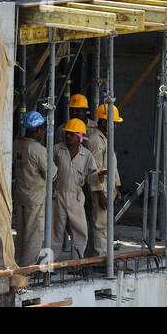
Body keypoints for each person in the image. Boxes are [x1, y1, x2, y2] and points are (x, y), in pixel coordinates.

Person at [51, 118, 101, 260]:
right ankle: (49, 264)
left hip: (76, 196)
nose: (68, 136)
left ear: (79, 137)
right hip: (58, 195)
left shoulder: (87, 155)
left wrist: (100, 176)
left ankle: (76, 263)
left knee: (80, 231)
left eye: (71, 134)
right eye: (67, 133)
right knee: (55, 231)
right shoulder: (57, 150)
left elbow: (91, 177)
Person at [12, 111, 52, 267]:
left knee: (21, 234)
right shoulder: (38, 149)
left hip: (20, 196)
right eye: (42, 128)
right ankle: (27, 271)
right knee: (34, 236)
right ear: (38, 130)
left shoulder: (17, 145)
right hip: (35, 199)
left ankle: (18, 265)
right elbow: (52, 174)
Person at [84, 104, 122, 256]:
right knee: (100, 226)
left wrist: (116, 188)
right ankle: (99, 258)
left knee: (103, 225)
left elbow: (111, 166)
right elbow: (94, 170)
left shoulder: (105, 139)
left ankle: (95, 256)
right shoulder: (96, 140)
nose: (116, 125)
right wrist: (100, 194)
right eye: (114, 122)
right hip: (100, 189)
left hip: (107, 188)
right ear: (105, 122)